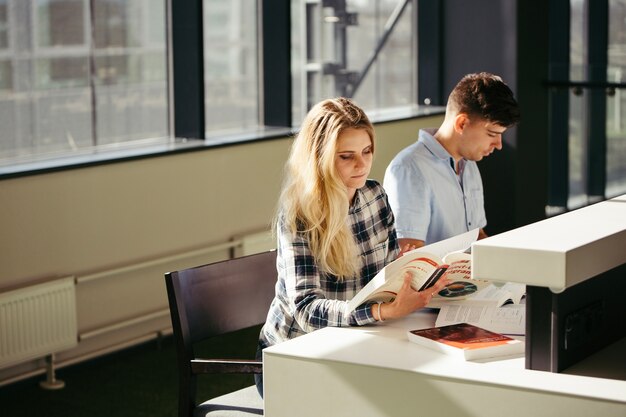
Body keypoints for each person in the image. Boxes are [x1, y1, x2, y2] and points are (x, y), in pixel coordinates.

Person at [255, 97, 449, 397]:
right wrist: (382, 311)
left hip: (358, 340)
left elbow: (383, 275)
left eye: (367, 151)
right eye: (346, 156)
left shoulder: (374, 194)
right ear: (320, 158)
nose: (362, 164)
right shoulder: (300, 215)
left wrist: (412, 274)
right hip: (294, 356)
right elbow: (306, 310)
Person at [383, 72, 520, 248]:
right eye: (492, 134)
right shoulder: (408, 169)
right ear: (461, 123)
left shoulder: (468, 164)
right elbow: (410, 257)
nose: (499, 145)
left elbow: (477, 235)